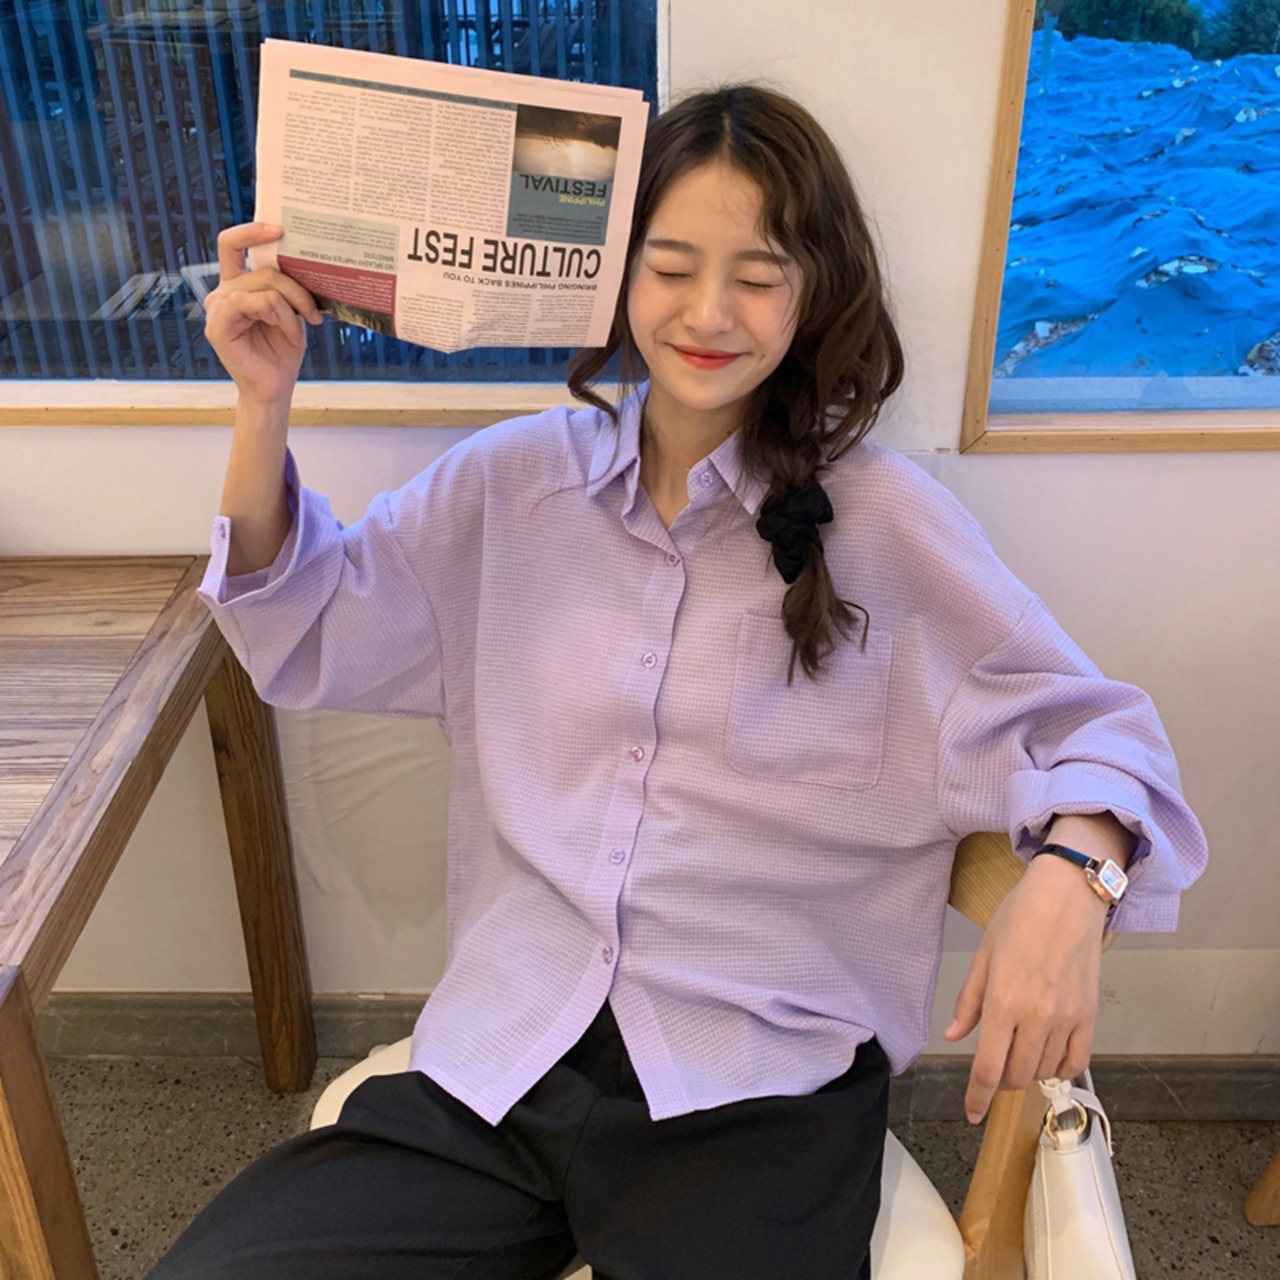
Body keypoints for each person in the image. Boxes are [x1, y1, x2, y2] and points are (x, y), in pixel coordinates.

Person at [150, 84, 1207, 1280]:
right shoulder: (508, 486)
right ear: (614, 272)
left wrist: (1073, 879)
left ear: (815, 291)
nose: (707, 313)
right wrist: (263, 403)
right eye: (668, 267)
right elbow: (304, 629)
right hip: (506, 1051)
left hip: (757, 1090)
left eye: (757, 276)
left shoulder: (890, 524)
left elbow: (1101, 735)